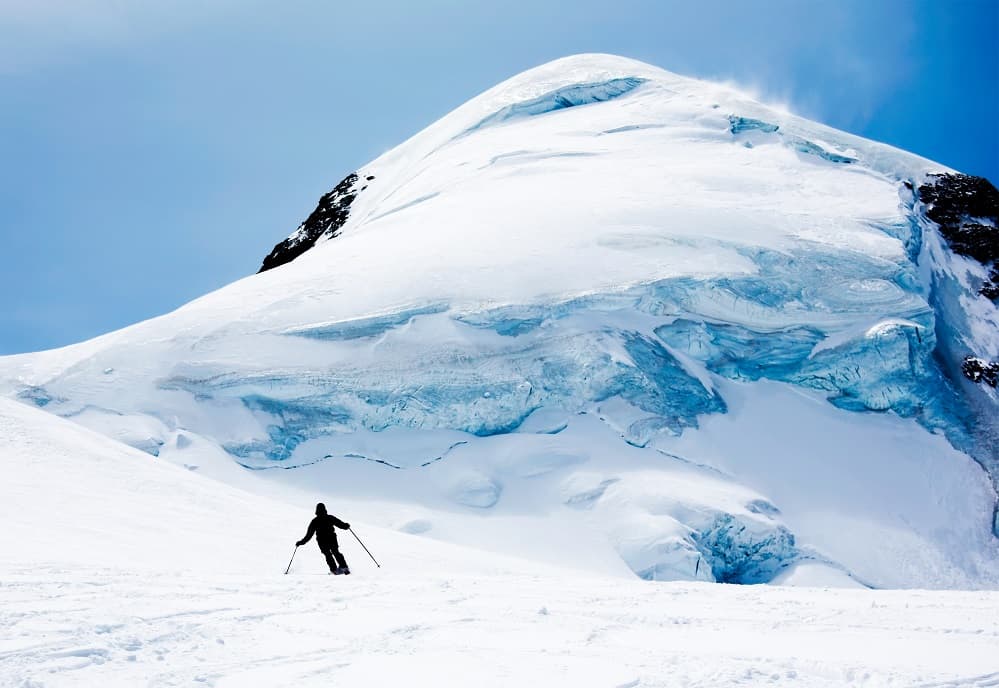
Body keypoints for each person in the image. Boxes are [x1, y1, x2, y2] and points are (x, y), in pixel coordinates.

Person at [296, 503, 351, 575]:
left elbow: (309, 535)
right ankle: (344, 567)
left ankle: (334, 570)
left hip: (322, 540)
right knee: (336, 552)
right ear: (325, 509)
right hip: (332, 538)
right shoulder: (330, 517)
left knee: (328, 554)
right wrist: (346, 526)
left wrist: (301, 542)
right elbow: (340, 524)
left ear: (316, 510)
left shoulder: (315, 521)